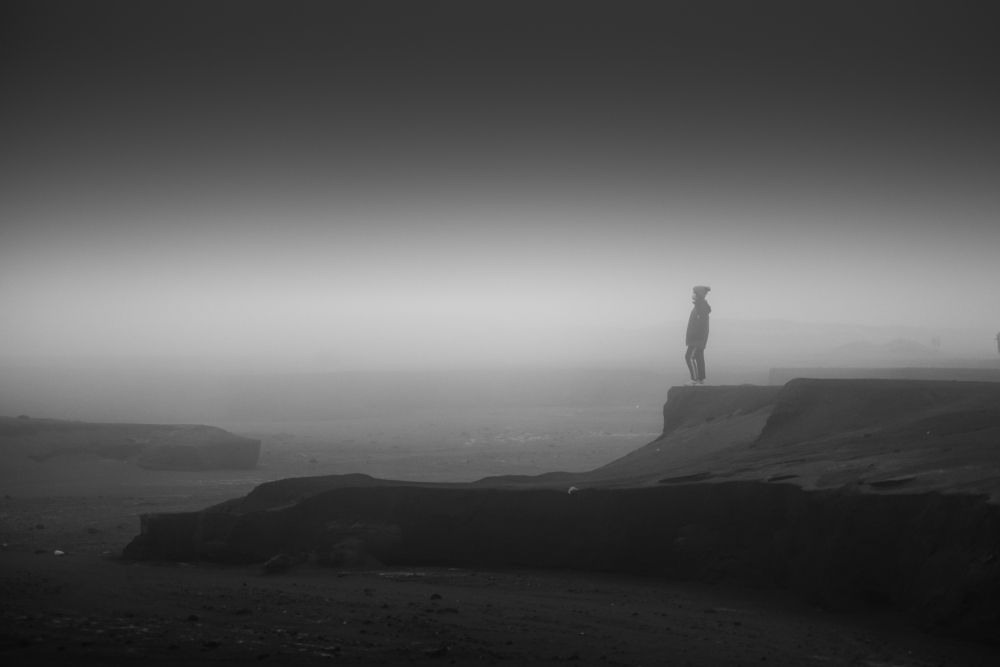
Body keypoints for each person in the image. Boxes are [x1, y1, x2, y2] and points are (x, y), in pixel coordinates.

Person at [685, 285, 711, 385]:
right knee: (699, 357)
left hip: (696, 339)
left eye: (694, 293)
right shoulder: (700, 305)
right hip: (697, 339)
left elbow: (701, 324)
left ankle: (694, 379)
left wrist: (696, 338)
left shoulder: (701, 306)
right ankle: (701, 379)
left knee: (689, 357)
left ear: (698, 294)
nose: (692, 294)